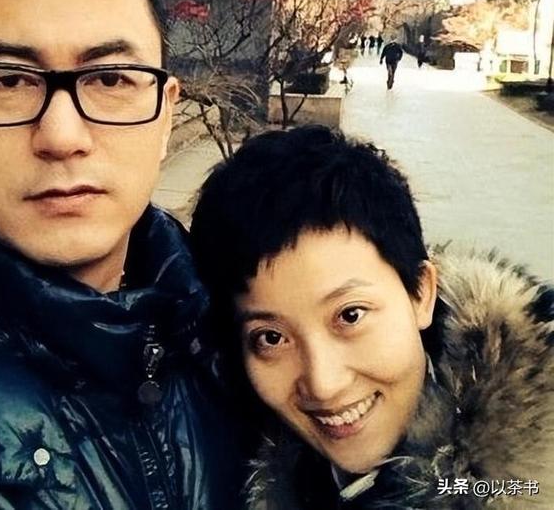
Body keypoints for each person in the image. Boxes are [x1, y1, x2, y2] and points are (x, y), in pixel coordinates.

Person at [0, 0, 242, 509]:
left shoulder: (241, 336)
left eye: (110, 79)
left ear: (165, 116)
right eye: (8, 81)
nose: (62, 136)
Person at [190, 125, 554, 509]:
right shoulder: (242, 461)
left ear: (421, 294)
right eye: (271, 338)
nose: (324, 385)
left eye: (350, 315)